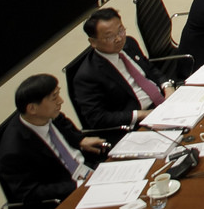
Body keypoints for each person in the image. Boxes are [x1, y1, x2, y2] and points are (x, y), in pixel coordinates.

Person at [0, 73, 106, 209]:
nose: (61, 101)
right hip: (63, 198)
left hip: (90, 171)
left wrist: (80, 140)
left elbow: (66, 127)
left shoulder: (49, 114)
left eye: (58, 94)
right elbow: (30, 193)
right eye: (54, 97)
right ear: (32, 108)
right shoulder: (13, 151)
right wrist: (77, 186)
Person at [69, 7, 170, 135]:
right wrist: (141, 115)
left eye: (120, 31)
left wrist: (168, 87)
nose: (119, 38)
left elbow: (150, 69)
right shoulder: (87, 76)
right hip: (138, 124)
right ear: (93, 42)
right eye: (109, 36)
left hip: (165, 103)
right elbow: (98, 118)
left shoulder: (129, 43)